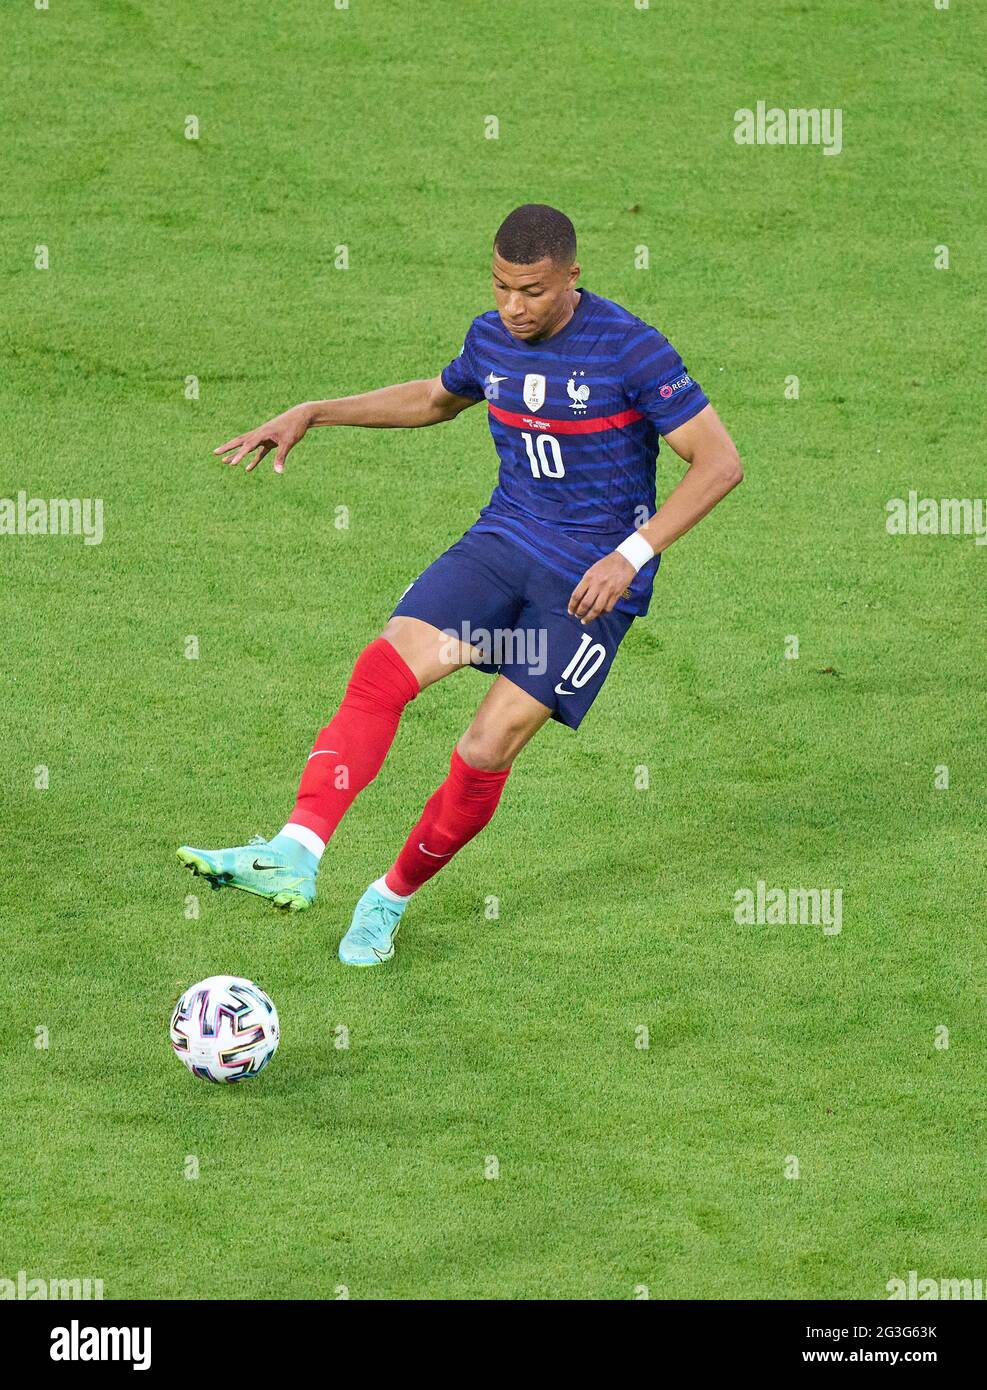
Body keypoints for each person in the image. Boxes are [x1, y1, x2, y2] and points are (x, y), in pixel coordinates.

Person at [177, 204, 743, 966]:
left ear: (572, 278)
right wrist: (316, 411)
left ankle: (389, 897)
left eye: (533, 291)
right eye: (502, 287)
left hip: (588, 584)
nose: (514, 307)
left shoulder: (629, 350)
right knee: (384, 669)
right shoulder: (490, 338)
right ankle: (295, 847)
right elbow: (437, 398)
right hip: (503, 543)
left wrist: (630, 556)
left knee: (486, 745)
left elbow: (717, 462)